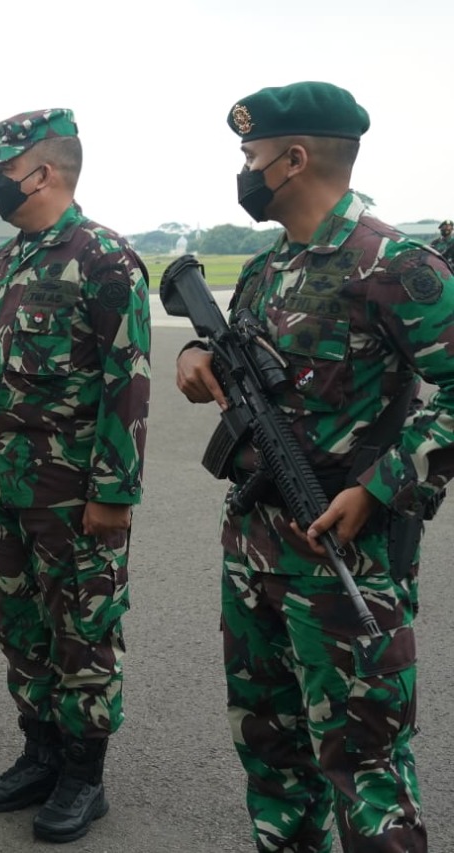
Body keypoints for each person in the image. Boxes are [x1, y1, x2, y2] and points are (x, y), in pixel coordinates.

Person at [177, 81, 454, 852]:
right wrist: (197, 355)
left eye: (251, 154)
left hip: (346, 565)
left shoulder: (393, 263)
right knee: (270, 752)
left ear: (293, 158)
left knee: (366, 768)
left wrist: (382, 486)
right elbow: (240, 362)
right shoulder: (270, 269)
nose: (244, 168)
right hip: (257, 551)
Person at [0, 110, 151, 843]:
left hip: (75, 493)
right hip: (8, 487)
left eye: (3, 169)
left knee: (85, 630)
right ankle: (38, 752)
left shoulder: (103, 258)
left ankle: (83, 773)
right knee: (21, 624)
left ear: (41, 172)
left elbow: (126, 385)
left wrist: (113, 492)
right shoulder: (2, 262)